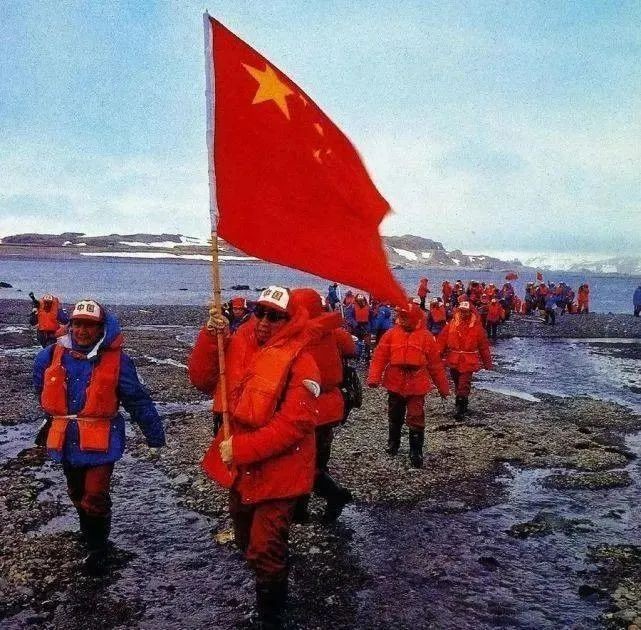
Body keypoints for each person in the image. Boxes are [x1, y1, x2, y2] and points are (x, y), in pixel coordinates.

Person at [188, 286, 320, 628]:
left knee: (265, 546)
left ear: (289, 321)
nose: (264, 321)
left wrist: (241, 448)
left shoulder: (303, 361)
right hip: (244, 468)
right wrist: (210, 336)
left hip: (283, 469)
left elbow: (294, 425)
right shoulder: (237, 343)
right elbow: (201, 379)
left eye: (274, 316)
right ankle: (275, 572)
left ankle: (271, 616)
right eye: (260, 312)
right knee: (246, 539)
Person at [33, 299, 165, 570]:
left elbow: (137, 400)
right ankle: (89, 533)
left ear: (101, 328)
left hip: (102, 441)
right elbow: (41, 389)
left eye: (89, 325)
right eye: (78, 324)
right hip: (66, 439)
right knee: (76, 491)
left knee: (94, 495)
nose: (82, 331)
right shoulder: (49, 356)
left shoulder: (118, 361)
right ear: (70, 325)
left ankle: (98, 548)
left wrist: (154, 435)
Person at [289, 288, 356, 523]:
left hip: (305, 405)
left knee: (300, 460)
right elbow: (351, 350)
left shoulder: (295, 334)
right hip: (329, 406)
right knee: (316, 458)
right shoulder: (332, 331)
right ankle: (303, 506)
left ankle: (327, 497)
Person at [367, 303, 449, 468]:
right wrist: (374, 378)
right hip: (395, 381)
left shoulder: (426, 337)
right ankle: (393, 443)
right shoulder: (391, 334)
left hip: (417, 382)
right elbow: (379, 357)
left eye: (405, 316)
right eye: (401, 316)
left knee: (416, 416)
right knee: (395, 415)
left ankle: (416, 451)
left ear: (414, 318)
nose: (402, 319)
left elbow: (435, 364)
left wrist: (443, 388)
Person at [439, 301, 492, 420]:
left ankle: (460, 408)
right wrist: (437, 355)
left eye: (466, 311)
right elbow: (442, 341)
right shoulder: (452, 324)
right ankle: (462, 401)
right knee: (457, 383)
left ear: (470, 312)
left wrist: (487, 363)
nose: (463, 313)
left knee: (464, 383)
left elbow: (483, 347)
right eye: (461, 311)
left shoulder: (477, 328)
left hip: (468, 361)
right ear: (458, 311)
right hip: (453, 359)